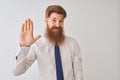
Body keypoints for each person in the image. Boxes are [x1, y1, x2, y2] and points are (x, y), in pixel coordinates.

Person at [14, 5, 83, 80]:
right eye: (54, 20)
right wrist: (24, 48)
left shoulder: (72, 43)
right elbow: (17, 72)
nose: (57, 25)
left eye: (61, 21)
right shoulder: (37, 45)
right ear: (46, 20)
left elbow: (78, 72)